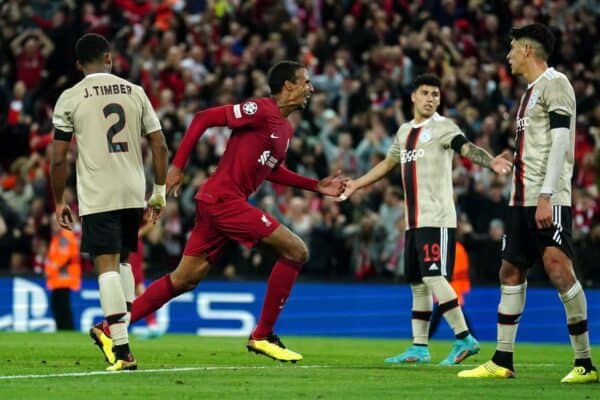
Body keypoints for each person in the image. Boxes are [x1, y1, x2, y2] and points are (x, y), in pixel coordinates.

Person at [91, 60, 347, 363]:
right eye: (305, 82)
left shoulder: (285, 128)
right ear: (288, 86)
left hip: (218, 203)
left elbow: (273, 171)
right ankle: (263, 335)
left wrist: (316, 186)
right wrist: (178, 166)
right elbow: (203, 118)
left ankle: (110, 328)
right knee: (296, 251)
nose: (311, 88)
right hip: (224, 201)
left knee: (184, 279)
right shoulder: (260, 109)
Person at [458, 23, 598, 383]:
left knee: (558, 270)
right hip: (520, 198)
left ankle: (584, 363)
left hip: (545, 198)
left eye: (510, 49)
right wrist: (511, 162)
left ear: (526, 50)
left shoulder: (556, 83)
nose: (507, 56)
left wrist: (547, 195)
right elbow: (537, 147)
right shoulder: (529, 93)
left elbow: (561, 144)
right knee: (510, 271)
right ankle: (503, 359)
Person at [340, 74, 512, 365]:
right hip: (414, 221)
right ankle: (419, 347)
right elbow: (387, 163)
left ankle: (464, 338)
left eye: (435, 94)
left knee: (434, 277)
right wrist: (357, 183)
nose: (431, 98)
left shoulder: (444, 127)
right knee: (417, 283)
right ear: (413, 97)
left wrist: (490, 161)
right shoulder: (405, 132)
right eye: (425, 93)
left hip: (437, 218)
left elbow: (466, 147)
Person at [50, 33, 168, 371]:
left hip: (98, 191)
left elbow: (59, 158)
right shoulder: (136, 92)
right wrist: (158, 190)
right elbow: (158, 145)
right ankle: (114, 332)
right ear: (109, 58)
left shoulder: (70, 97)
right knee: (125, 263)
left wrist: (59, 200)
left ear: (78, 65)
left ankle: (121, 349)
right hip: (133, 189)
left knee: (106, 266)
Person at [45, 214, 81, 331]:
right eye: (52, 223)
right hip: (60, 279)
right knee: (60, 305)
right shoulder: (58, 237)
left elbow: (63, 256)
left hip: (64, 278)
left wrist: (50, 269)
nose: (53, 225)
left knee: (61, 306)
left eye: (55, 223)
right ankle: (63, 329)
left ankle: (66, 329)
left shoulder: (64, 237)